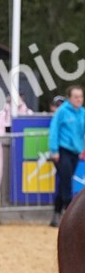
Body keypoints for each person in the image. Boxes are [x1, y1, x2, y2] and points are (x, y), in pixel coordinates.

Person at [49, 84, 85, 227]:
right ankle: (69, 214)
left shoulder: (82, 113)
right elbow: (54, 130)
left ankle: (56, 215)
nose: (78, 99)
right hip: (62, 151)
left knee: (64, 182)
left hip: (75, 152)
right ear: (69, 98)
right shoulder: (62, 111)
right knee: (66, 181)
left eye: (80, 96)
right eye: (75, 97)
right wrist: (54, 150)